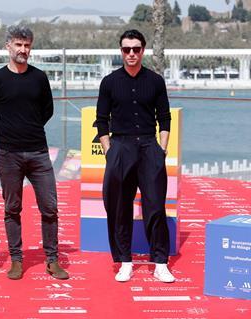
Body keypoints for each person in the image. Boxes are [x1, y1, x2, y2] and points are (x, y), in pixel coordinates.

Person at [0, 26, 69, 280]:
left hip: (39, 153)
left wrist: (29, 128)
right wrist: (5, 132)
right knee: (12, 208)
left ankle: (52, 260)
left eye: (27, 45)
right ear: (8, 46)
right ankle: (16, 259)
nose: (23, 50)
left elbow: (48, 110)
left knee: (50, 207)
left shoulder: (39, 78)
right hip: (8, 154)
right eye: (18, 44)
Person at [95, 29, 175, 283]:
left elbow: (164, 117)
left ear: (143, 50)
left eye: (136, 49)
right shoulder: (109, 82)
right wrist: (109, 151)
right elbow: (101, 121)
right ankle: (125, 262)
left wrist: (162, 149)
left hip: (150, 148)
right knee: (119, 208)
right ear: (121, 51)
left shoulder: (155, 81)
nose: (131, 54)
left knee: (155, 207)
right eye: (126, 49)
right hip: (120, 148)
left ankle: (160, 262)